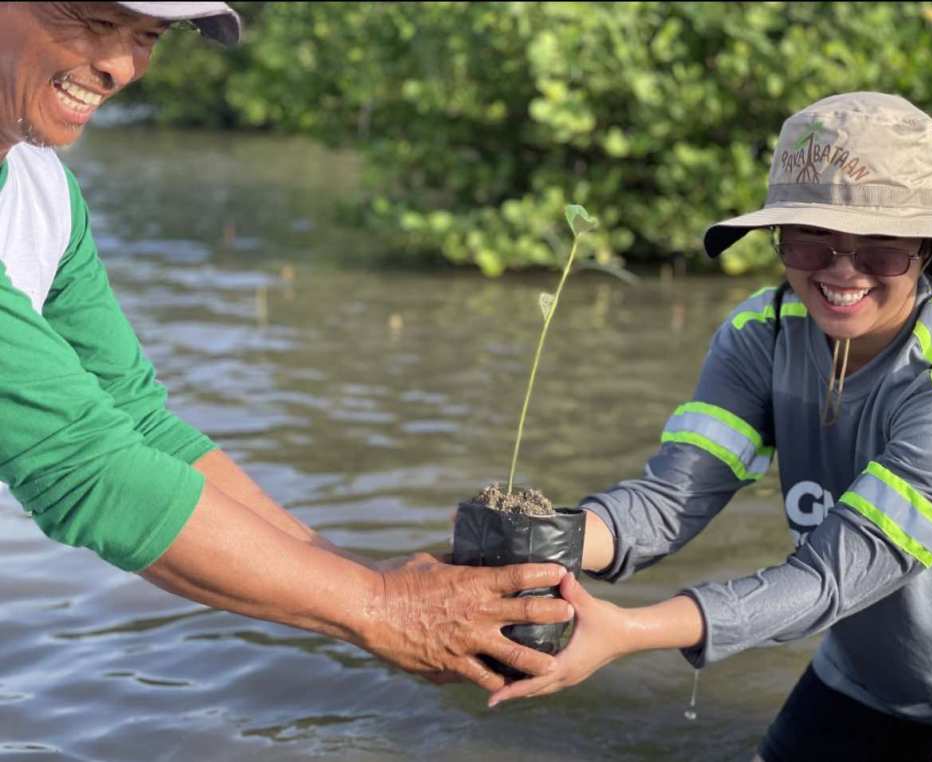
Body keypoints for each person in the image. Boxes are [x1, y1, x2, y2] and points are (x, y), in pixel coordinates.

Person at [0, 1, 572, 692]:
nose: (121, 66)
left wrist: (369, 581)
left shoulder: (42, 190)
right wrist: (379, 610)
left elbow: (138, 424)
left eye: (147, 36)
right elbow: (85, 467)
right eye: (93, 22)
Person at [488, 91, 932, 761]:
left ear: (928, 248)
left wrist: (627, 629)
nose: (841, 272)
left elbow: (833, 574)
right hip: (869, 675)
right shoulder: (761, 333)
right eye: (809, 241)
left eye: (880, 252)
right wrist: (535, 545)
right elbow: (670, 500)